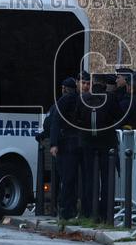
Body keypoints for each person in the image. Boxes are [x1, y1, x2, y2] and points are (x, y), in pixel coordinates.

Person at [72, 72, 123, 222]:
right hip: (107, 143)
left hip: (88, 142)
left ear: (93, 84)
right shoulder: (110, 98)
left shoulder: (83, 98)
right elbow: (119, 116)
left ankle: (89, 211)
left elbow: (76, 119)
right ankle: (105, 212)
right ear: (105, 85)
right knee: (107, 179)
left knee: (89, 178)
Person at [49, 72, 84, 220]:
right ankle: (68, 209)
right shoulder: (78, 100)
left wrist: (54, 143)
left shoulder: (63, 102)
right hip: (75, 143)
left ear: (63, 88)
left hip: (66, 144)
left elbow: (55, 122)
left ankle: (64, 209)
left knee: (67, 178)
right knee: (71, 179)